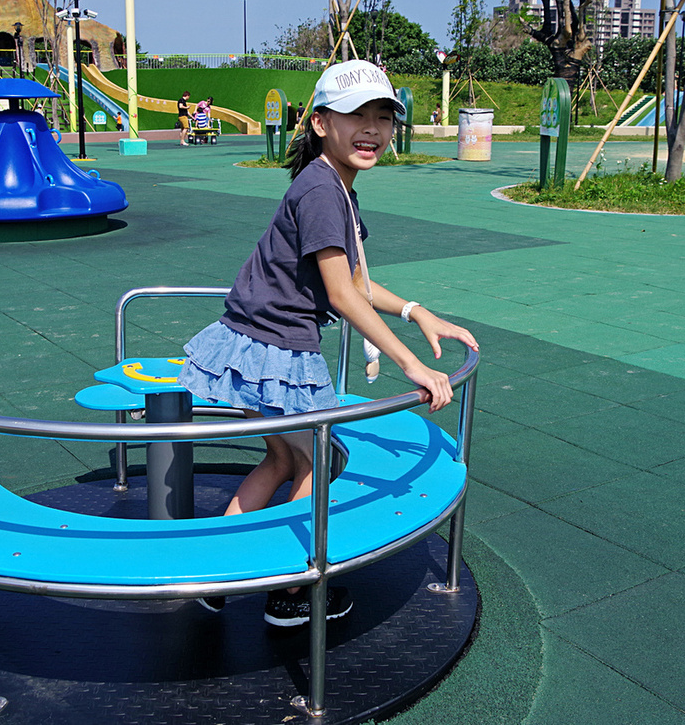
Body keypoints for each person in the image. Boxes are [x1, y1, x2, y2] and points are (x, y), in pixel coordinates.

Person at [181, 59, 478, 627]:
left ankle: (217, 572)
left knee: (283, 455)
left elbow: (357, 280)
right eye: (355, 115)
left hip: (253, 337)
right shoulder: (321, 189)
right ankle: (289, 588)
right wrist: (411, 364)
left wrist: (420, 313)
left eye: (383, 116)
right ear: (321, 123)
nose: (371, 128)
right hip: (276, 347)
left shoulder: (335, 185)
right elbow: (343, 296)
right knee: (317, 460)